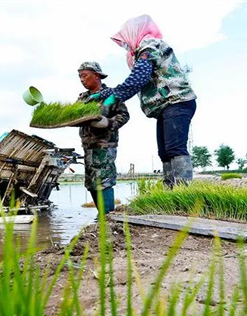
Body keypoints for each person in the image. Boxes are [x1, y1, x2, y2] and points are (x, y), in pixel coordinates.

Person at [89, 14, 197, 188]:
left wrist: (113, 97)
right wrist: (103, 93)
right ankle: (170, 190)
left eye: (125, 41)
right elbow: (134, 80)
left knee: (175, 149)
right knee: (164, 152)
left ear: (134, 33)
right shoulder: (144, 51)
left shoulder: (150, 45)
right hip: (165, 106)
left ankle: (184, 192)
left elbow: (137, 79)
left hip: (177, 102)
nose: (125, 46)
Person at [77, 61, 130, 217]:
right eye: (80, 76)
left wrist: (108, 123)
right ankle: (102, 216)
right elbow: (73, 116)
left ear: (97, 75)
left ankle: (109, 217)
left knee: (104, 180)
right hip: (88, 145)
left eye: (84, 75)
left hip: (104, 145)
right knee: (91, 182)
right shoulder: (83, 98)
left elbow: (124, 115)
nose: (81, 79)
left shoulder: (111, 94)